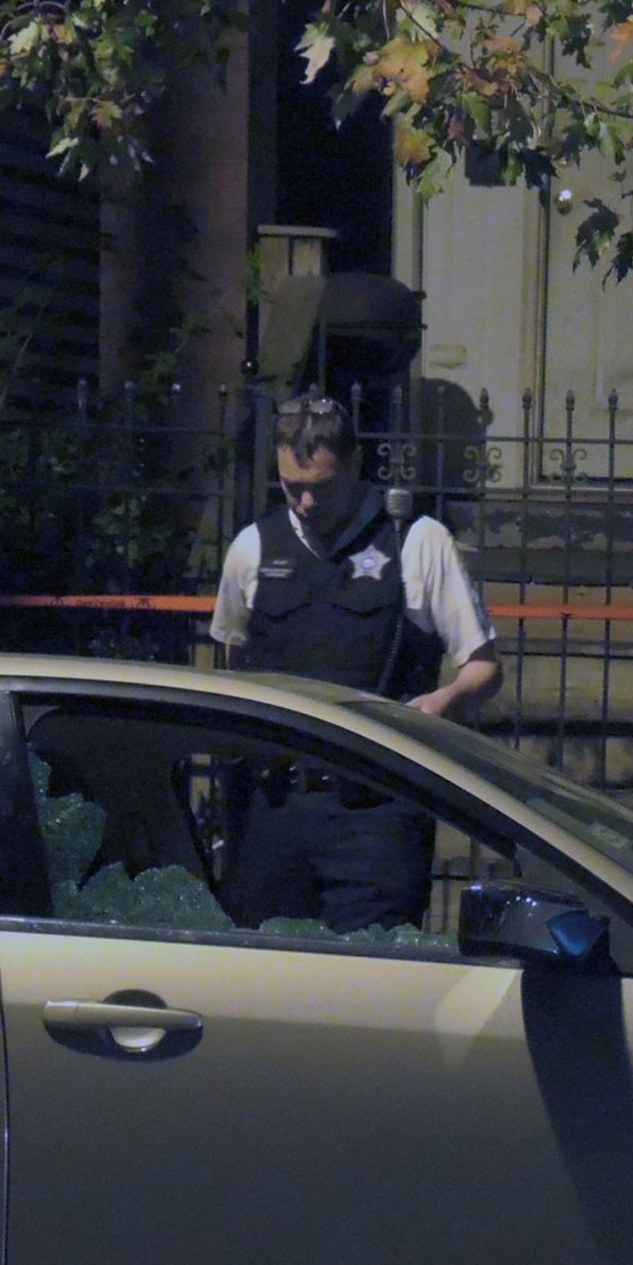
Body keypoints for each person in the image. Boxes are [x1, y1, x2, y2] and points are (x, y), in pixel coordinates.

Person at [208, 396, 503, 931]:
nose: (303, 502)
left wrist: (440, 703)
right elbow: (234, 664)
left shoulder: (417, 541)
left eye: (319, 487)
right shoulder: (252, 549)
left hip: (378, 815)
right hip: (276, 811)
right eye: (289, 486)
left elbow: (482, 666)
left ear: (355, 465)